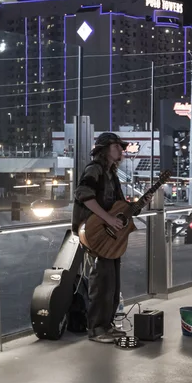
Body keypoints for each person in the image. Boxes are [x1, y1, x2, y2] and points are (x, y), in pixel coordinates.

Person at [72, 132, 152, 343]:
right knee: (101, 282)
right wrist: (107, 218)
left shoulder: (112, 175)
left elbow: (121, 210)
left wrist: (139, 203)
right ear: (104, 149)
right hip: (96, 233)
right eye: (117, 146)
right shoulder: (94, 169)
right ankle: (97, 329)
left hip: (110, 236)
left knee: (112, 283)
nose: (121, 150)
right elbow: (83, 194)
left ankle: (106, 326)